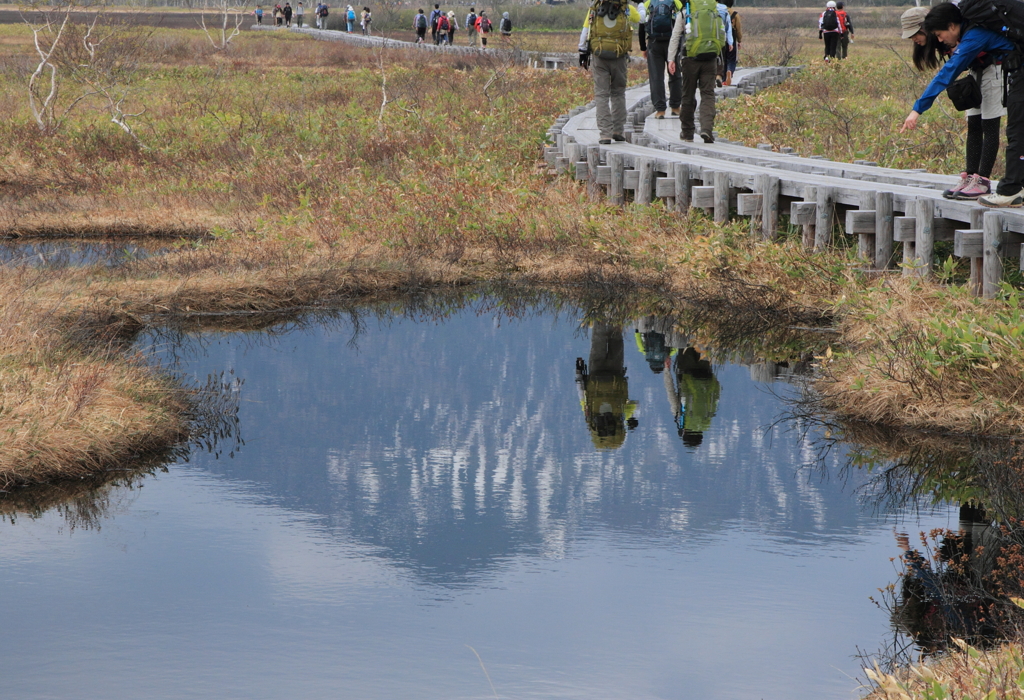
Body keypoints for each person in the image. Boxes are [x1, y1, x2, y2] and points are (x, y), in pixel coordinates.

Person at [901, 2, 1022, 208]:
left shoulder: (973, 37)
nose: (939, 40)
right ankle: (988, 181)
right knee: (988, 126)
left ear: (951, 26)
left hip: (1005, 71)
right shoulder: (969, 32)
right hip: (1002, 71)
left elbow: (947, 73)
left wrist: (917, 109)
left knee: (1009, 130)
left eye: (939, 34)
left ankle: (996, 185)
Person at [667, 0, 731, 143]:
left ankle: (687, 132)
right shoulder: (715, 10)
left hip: (690, 59)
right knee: (708, 94)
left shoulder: (686, 12)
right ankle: (706, 129)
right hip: (710, 59)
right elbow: (722, 37)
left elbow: (675, 36)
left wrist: (671, 59)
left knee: (688, 94)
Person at [578, 0, 642, 145]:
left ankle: (605, 134)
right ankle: (618, 130)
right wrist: (642, 5)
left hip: (599, 56)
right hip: (619, 56)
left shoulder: (594, 8)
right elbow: (642, 19)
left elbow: (585, 31)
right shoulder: (626, 8)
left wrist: (582, 51)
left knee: (601, 94)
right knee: (618, 92)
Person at [574, 324, 639, 450]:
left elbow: (635, 404)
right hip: (595, 372)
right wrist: (578, 372)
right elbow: (582, 393)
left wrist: (630, 418)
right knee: (599, 338)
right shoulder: (591, 415)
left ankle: (616, 314)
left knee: (616, 339)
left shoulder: (621, 414)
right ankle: (600, 313)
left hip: (616, 371)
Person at [639, 0, 683, 118]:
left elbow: (642, 24)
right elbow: (683, 19)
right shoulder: (676, 2)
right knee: (675, 74)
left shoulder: (648, 3)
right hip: (672, 42)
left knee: (656, 77)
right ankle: (675, 107)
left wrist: (643, 47)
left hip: (654, 43)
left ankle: (660, 110)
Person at [719, 0, 740, 85]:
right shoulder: (735, 14)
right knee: (731, 59)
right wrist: (739, 40)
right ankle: (730, 71)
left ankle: (723, 78)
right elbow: (738, 29)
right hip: (731, 37)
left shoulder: (717, 11)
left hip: (720, 37)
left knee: (723, 58)